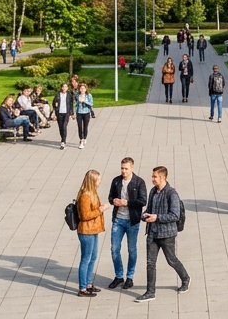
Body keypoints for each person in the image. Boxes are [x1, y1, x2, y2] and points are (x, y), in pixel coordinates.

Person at [137, 165, 189, 302]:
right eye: (152, 176)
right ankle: (150, 292)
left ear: (163, 177)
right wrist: (145, 215)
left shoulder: (172, 193)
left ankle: (185, 278)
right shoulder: (153, 191)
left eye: (155, 177)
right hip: (152, 234)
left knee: (171, 260)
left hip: (167, 235)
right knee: (150, 263)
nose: (152, 179)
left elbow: (175, 215)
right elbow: (149, 208)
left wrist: (157, 217)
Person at [108, 157, 147, 290]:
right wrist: (114, 201)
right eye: (122, 168)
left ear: (132, 168)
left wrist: (127, 203)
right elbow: (110, 197)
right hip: (118, 220)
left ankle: (130, 277)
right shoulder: (116, 181)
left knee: (131, 249)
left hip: (132, 221)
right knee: (114, 249)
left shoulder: (139, 182)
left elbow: (143, 201)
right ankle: (119, 276)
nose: (123, 171)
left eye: (126, 168)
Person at [74, 169, 104, 297]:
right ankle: (82, 288)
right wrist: (100, 209)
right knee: (85, 259)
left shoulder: (92, 193)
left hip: (93, 229)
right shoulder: (85, 195)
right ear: (92, 181)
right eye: (98, 180)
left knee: (93, 257)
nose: (100, 182)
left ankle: (89, 284)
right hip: (86, 231)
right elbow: (85, 215)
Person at [53, 83, 74, 149]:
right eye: (63, 87)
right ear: (61, 87)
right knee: (60, 127)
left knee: (64, 126)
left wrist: (71, 113)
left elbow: (71, 104)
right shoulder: (58, 94)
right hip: (59, 112)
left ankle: (63, 141)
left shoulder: (69, 95)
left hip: (66, 112)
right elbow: (54, 102)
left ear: (67, 88)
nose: (64, 88)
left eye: (66, 87)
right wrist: (55, 105)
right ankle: (62, 137)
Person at [75, 83, 94, 150]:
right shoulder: (77, 95)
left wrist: (84, 101)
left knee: (85, 126)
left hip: (86, 112)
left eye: (83, 88)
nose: (82, 90)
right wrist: (78, 102)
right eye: (81, 88)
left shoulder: (88, 95)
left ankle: (85, 137)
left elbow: (91, 103)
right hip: (79, 112)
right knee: (80, 126)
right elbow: (75, 103)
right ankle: (81, 140)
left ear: (86, 89)